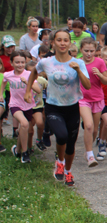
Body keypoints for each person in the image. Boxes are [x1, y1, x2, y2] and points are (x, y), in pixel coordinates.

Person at [25, 30, 91, 187]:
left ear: (70, 43)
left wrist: (78, 71)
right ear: (53, 42)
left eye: (65, 40)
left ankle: (68, 171)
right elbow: (34, 72)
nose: (62, 43)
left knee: (70, 144)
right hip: (53, 107)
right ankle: (59, 163)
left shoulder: (78, 63)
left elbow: (87, 86)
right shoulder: (46, 62)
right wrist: (28, 91)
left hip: (72, 107)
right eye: (59, 40)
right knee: (61, 136)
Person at [3, 51, 43, 163]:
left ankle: (18, 149)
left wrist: (27, 83)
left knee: (23, 128)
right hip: (15, 104)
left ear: (25, 62)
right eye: (17, 62)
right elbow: (3, 82)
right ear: (11, 63)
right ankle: (25, 154)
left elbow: (38, 90)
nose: (20, 65)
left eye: (22, 62)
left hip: (28, 105)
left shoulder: (28, 74)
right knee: (24, 124)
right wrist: (1, 94)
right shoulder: (8, 74)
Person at [78, 37, 107, 166]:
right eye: (86, 50)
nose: (89, 53)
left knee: (95, 129)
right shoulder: (77, 63)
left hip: (97, 98)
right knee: (88, 125)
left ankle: (88, 150)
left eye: (91, 50)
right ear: (81, 50)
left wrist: (100, 75)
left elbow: (106, 81)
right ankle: (90, 155)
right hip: (83, 99)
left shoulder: (100, 62)